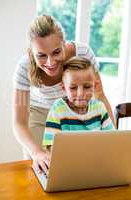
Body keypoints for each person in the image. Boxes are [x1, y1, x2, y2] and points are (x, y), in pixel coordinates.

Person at [13, 14, 115, 173]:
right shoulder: (24, 67)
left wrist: (113, 140)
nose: (50, 62)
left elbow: (99, 96)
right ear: (32, 52)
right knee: (43, 172)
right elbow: (19, 122)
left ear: (64, 44)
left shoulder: (83, 53)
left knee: (81, 171)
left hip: (74, 115)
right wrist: (37, 152)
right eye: (41, 55)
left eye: (56, 52)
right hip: (39, 117)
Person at [43, 56, 115, 148]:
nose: (80, 94)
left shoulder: (100, 107)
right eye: (73, 88)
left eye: (87, 87)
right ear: (64, 88)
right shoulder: (58, 109)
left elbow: (111, 140)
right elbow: (50, 145)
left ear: (95, 86)